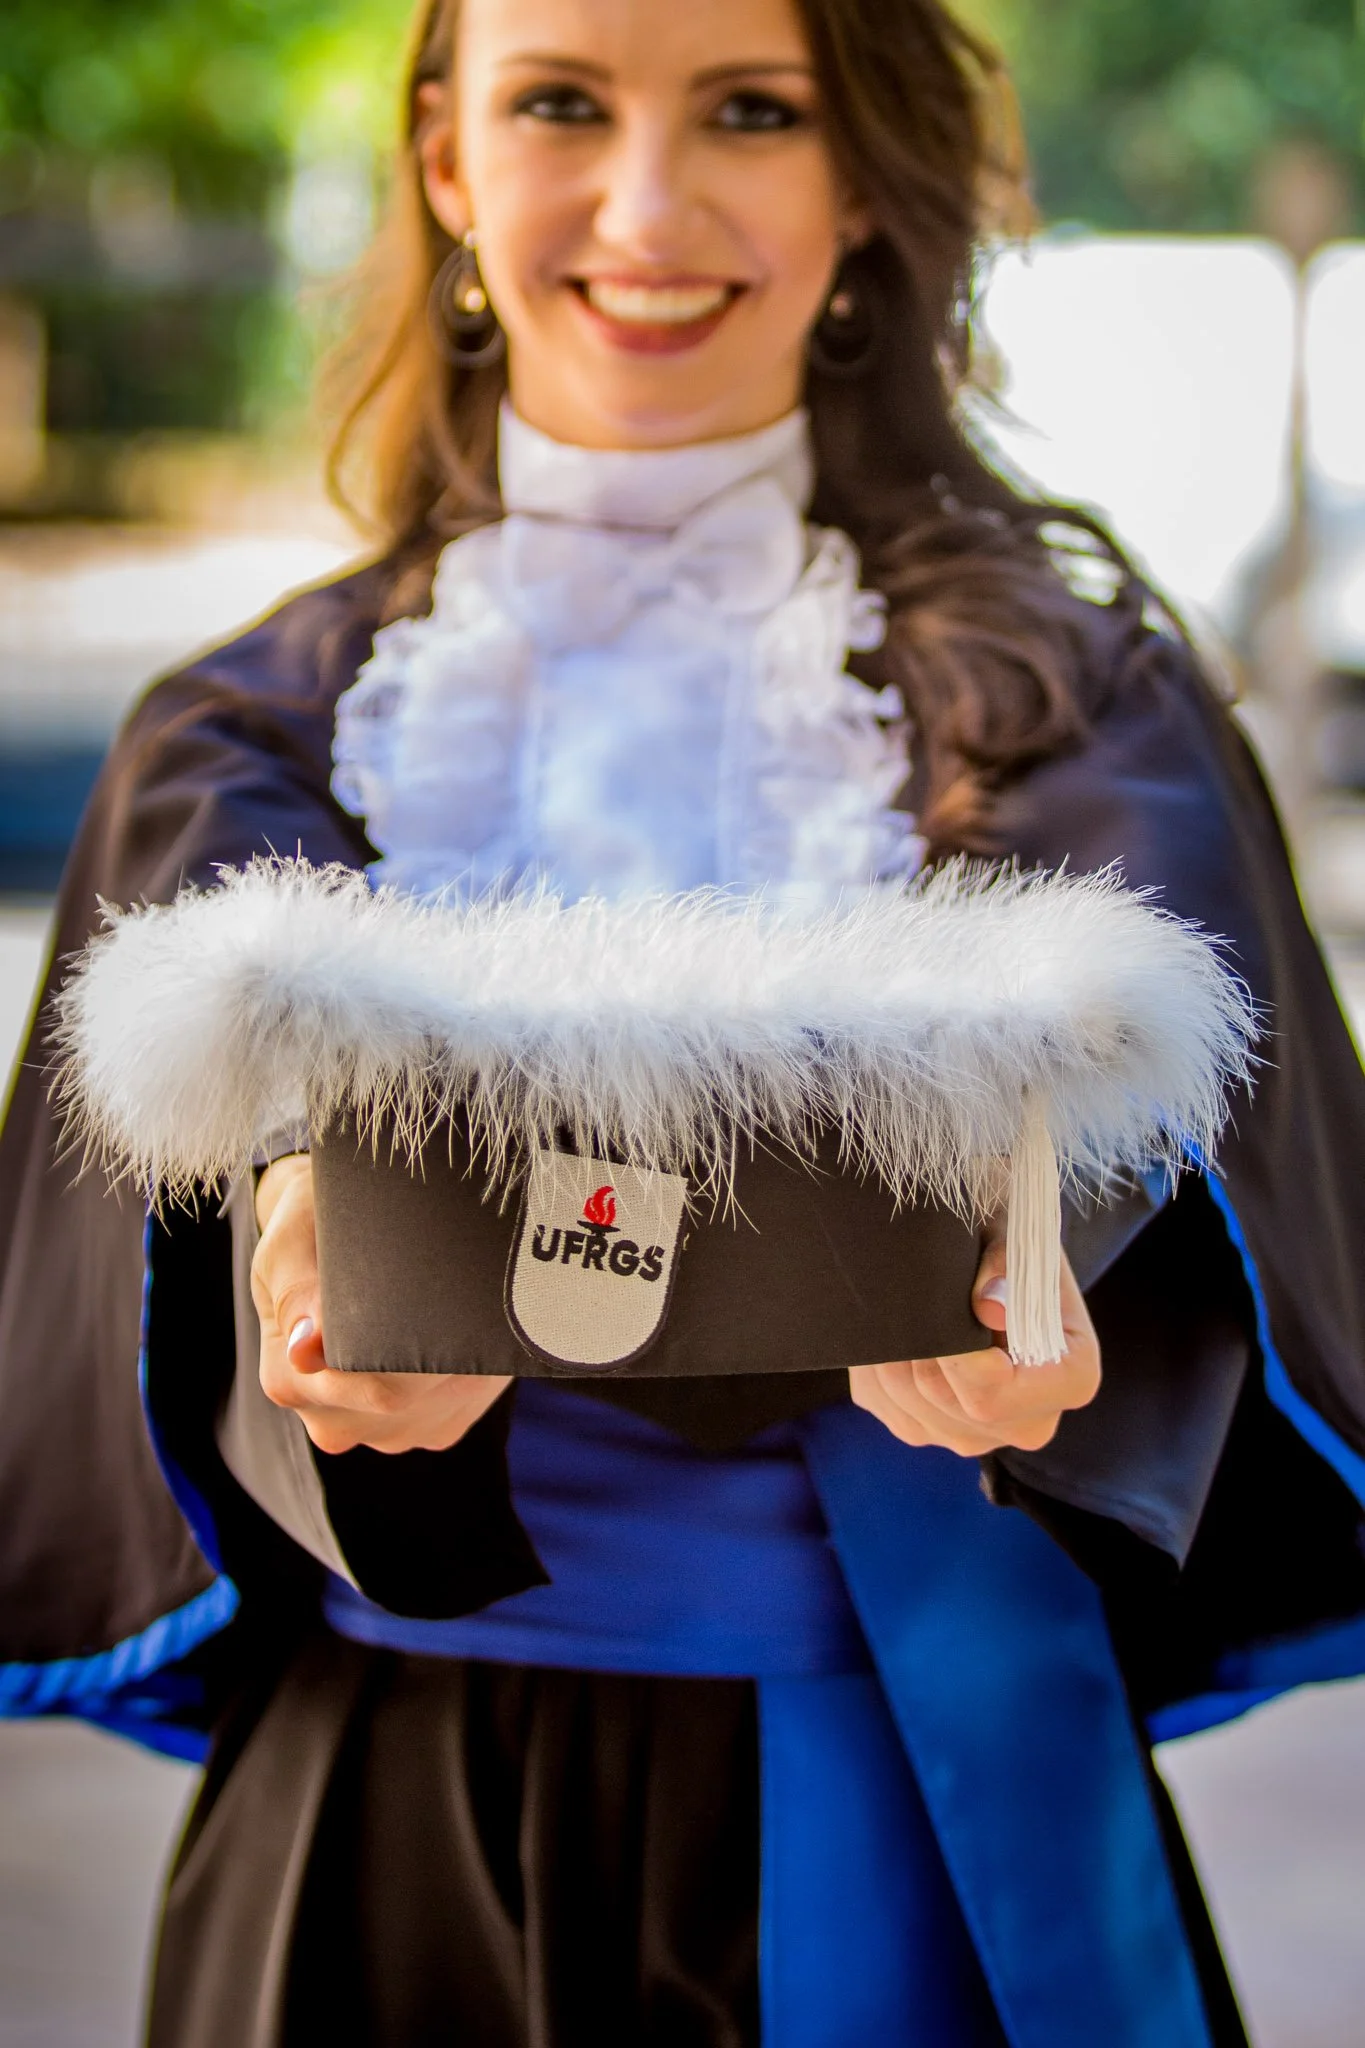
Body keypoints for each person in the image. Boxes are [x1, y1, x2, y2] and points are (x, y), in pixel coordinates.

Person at [3, 0, 1365, 2042]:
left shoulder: (1089, 716)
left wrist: (1050, 1290)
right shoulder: (249, 734)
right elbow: (146, 1299)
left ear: (863, 181)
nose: (650, 206)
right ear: (450, 160)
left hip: (919, 1789)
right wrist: (301, 1360)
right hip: (393, 1808)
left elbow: (1212, 1189)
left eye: (751, 108)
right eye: (563, 103)